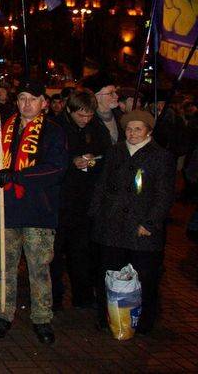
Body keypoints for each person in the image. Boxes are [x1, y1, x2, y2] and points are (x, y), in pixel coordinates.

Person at [0, 79, 67, 344]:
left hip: (38, 211)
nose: (26, 104)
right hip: (7, 210)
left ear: (43, 103)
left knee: (38, 268)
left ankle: (42, 318)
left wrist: (19, 175)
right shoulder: (3, 128)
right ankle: (2, 314)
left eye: (32, 99)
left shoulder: (53, 131)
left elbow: (56, 169)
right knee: (6, 267)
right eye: (22, 98)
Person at [89, 110, 175, 334]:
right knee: (108, 274)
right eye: (129, 128)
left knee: (145, 277)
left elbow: (164, 194)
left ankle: (144, 321)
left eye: (138, 128)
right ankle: (108, 316)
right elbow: (102, 184)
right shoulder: (116, 151)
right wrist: (97, 214)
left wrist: (150, 223)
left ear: (149, 131)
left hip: (141, 228)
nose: (133, 133)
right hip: (112, 225)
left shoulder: (161, 156)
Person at [50, 90, 111, 311]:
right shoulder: (56, 127)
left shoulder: (97, 129)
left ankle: (83, 296)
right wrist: (71, 161)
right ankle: (54, 298)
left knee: (81, 252)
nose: (85, 120)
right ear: (69, 110)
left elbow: (107, 155)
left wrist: (94, 161)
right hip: (60, 200)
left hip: (85, 201)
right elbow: (49, 159)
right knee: (55, 254)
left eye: (89, 115)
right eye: (81, 115)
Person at [82, 73, 121, 144]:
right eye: (111, 93)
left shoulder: (120, 116)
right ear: (97, 97)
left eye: (116, 92)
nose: (116, 96)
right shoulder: (88, 120)